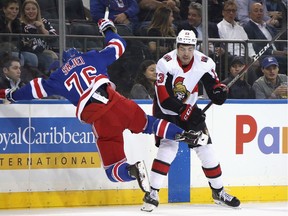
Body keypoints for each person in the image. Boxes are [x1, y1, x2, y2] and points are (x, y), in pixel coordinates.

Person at [0, 18, 200, 194]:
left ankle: (132, 170)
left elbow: (33, 90)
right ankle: (183, 133)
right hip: (117, 102)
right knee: (150, 124)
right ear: (78, 54)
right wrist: (107, 28)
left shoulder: (58, 76)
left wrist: (10, 94)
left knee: (113, 171)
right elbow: (118, 45)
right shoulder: (91, 57)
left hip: (100, 119)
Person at [141, 30, 240, 212]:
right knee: (168, 148)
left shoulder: (204, 63)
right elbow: (164, 99)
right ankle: (152, 193)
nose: (186, 53)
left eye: (190, 48)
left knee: (206, 148)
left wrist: (219, 93)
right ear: (176, 47)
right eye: (182, 48)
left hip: (189, 108)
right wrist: (185, 110)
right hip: (166, 112)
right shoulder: (166, 63)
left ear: (195, 48)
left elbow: (213, 88)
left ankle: (218, 192)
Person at [243, 2, 287, 75]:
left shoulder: (269, 27)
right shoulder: (248, 28)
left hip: (279, 54)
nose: (259, 13)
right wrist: (276, 52)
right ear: (249, 14)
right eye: (256, 11)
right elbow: (255, 47)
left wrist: (284, 51)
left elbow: (280, 41)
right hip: (263, 56)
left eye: (261, 11)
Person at [20, 0, 58, 75]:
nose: (31, 11)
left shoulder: (44, 21)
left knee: (62, 58)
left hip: (47, 51)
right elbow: (28, 44)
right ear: (24, 11)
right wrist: (46, 51)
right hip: (33, 52)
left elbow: (55, 37)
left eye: (33, 9)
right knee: (48, 59)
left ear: (38, 10)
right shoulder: (21, 24)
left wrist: (42, 29)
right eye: (28, 9)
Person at [0, 0, 38, 68]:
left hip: (15, 50)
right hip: (3, 51)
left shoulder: (17, 23)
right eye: (11, 8)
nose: (14, 11)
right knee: (18, 57)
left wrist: (25, 43)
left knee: (32, 58)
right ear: (4, 9)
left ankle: (29, 76)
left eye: (17, 9)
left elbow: (18, 42)